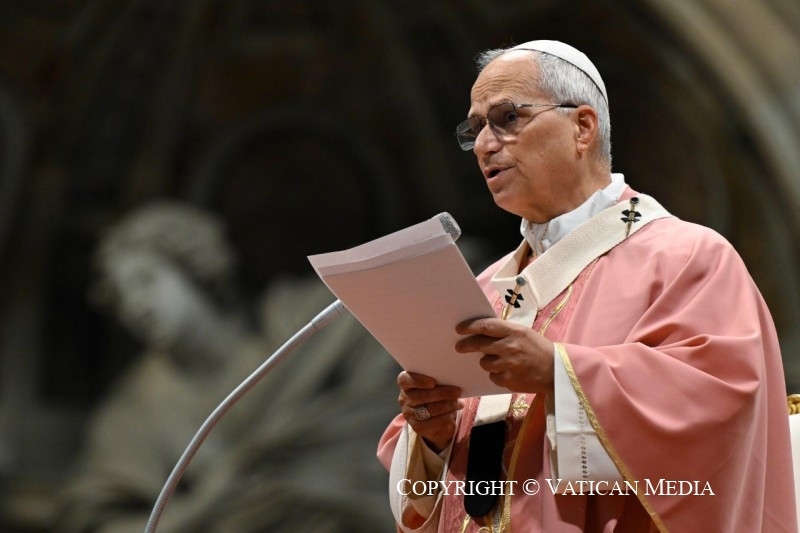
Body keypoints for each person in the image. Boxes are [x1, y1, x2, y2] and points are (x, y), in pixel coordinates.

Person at [377, 40, 796, 532]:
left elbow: (722, 410)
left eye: (507, 118)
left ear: (582, 127)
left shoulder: (685, 257)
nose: (486, 144)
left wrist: (559, 373)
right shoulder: (486, 289)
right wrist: (434, 436)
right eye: (476, 129)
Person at [56, 201, 398, 532]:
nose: (136, 305)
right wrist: (211, 499)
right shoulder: (134, 412)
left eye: (146, 280)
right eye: (121, 297)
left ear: (193, 265)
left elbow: (393, 371)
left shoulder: (302, 320)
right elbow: (102, 523)